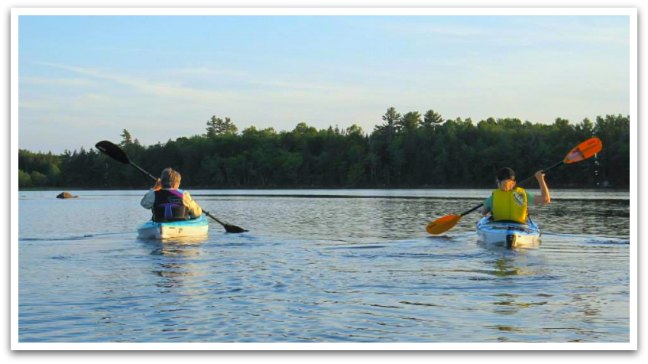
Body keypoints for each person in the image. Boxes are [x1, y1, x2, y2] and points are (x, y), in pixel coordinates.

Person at [480, 167, 551, 223]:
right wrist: (540, 179)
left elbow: (483, 212)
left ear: (498, 182)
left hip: (499, 228)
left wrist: (488, 207)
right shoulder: (523, 195)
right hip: (520, 228)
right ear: (514, 183)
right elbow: (546, 199)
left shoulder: (493, 198)